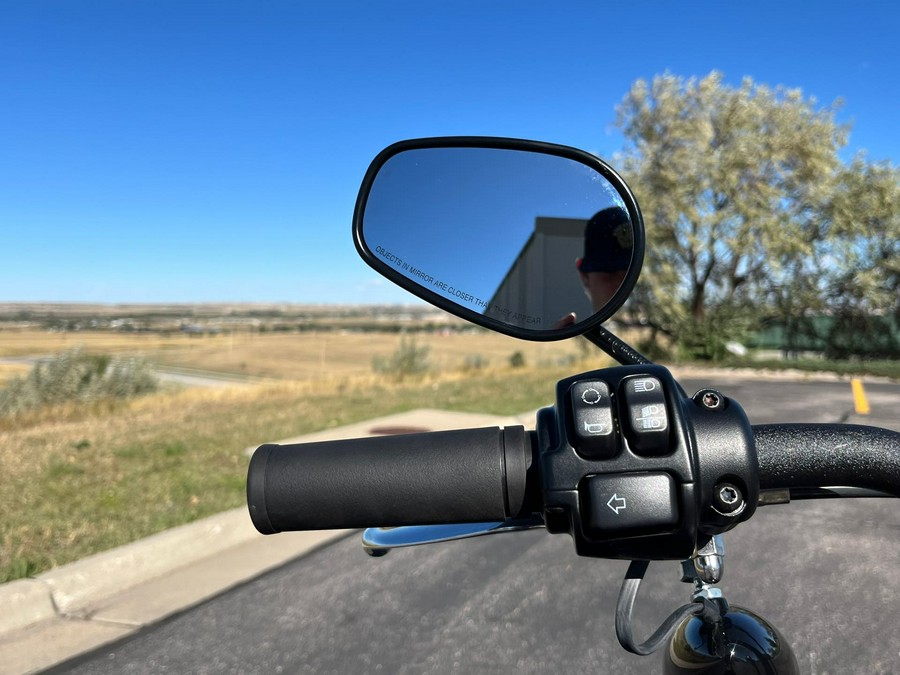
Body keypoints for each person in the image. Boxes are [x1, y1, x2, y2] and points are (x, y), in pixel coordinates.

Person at [556, 206, 633, 328]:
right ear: (584, 276)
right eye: (609, 273)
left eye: (632, 273)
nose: (624, 284)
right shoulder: (570, 340)